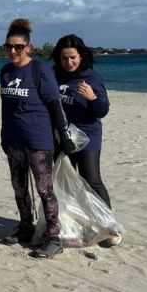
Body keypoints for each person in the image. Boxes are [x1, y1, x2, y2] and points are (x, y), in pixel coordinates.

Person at [0, 17, 69, 258]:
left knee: (44, 189)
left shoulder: (40, 70)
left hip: (38, 140)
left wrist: (63, 135)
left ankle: (54, 237)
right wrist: (4, 135)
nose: (13, 51)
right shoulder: (5, 71)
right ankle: (25, 226)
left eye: (18, 47)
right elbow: (6, 108)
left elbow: (55, 105)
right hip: (13, 139)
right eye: (9, 46)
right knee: (19, 188)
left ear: (28, 47)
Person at [52, 34, 111, 206]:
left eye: (73, 57)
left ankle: (107, 220)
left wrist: (92, 97)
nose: (69, 62)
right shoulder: (53, 75)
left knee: (91, 179)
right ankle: (73, 217)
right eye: (64, 58)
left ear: (81, 56)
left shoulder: (92, 78)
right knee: (65, 180)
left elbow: (103, 110)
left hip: (88, 134)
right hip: (62, 135)